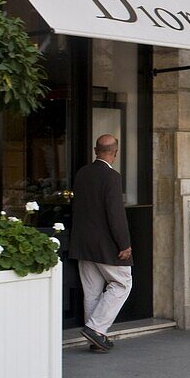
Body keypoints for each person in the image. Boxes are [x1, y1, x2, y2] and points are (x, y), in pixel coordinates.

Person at [71, 135, 133, 353]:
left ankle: (96, 339)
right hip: (105, 245)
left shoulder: (82, 173)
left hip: (82, 243)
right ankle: (96, 329)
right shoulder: (112, 177)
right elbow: (115, 214)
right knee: (122, 283)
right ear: (115, 152)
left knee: (92, 291)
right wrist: (123, 244)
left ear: (96, 150)